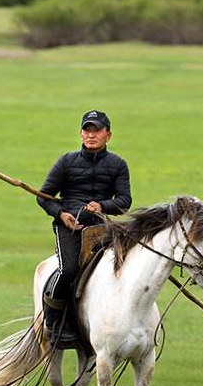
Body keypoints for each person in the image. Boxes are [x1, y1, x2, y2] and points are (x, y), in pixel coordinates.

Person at [37, 110, 132, 348]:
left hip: (100, 228)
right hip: (69, 227)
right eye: (87, 130)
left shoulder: (118, 165)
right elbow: (44, 196)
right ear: (80, 133)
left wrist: (102, 205)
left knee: (119, 272)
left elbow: (124, 201)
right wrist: (61, 213)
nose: (91, 135)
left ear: (108, 135)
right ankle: (53, 325)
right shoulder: (66, 161)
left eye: (97, 130)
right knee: (68, 271)